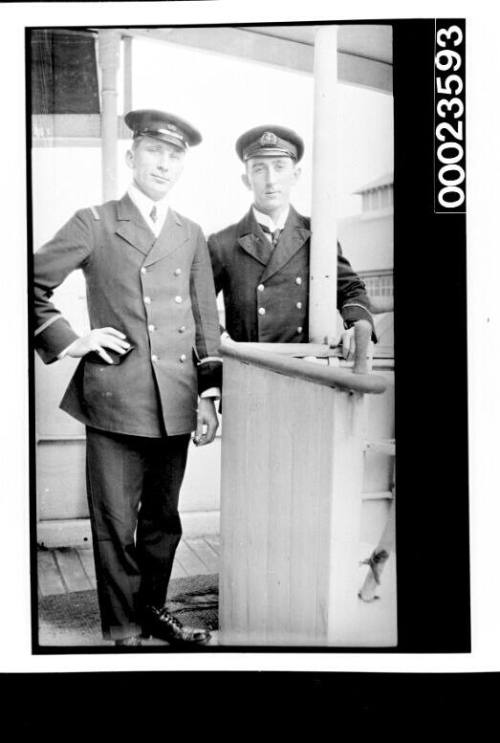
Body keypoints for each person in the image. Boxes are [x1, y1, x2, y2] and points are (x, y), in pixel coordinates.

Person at [34, 109, 222, 648]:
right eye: (154, 151)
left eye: (175, 154)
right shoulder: (93, 221)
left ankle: (154, 612)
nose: (164, 162)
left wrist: (208, 394)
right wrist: (74, 339)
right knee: (116, 526)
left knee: (164, 521)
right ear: (131, 156)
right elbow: (26, 279)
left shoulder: (190, 232)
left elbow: (206, 320)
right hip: (116, 399)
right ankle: (122, 633)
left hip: (178, 399)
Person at [207, 125, 377, 371]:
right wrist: (223, 342)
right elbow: (200, 308)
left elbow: (350, 288)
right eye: (259, 169)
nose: (271, 180)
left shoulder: (318, 236)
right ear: (246, 180)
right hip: (246, 374)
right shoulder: (222, 243)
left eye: (279, 167)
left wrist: (357, 326)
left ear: (295, 175)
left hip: (305, 373)